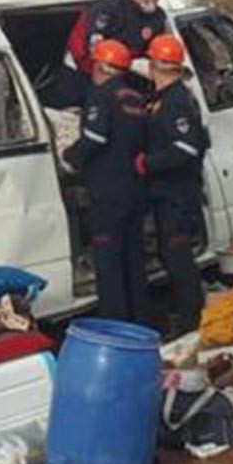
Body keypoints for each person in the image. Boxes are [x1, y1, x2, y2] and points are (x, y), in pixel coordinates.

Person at [62, 38, 152, 326]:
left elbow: (95, 138)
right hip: (134, 190)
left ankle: (115, 328)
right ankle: (141, 323)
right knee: (134, 264)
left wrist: (70, 156)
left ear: (100, 66)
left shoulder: (101, 96)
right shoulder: (134, 98)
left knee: (110, 265)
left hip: (108, 194)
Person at [139, 34, 211, 338]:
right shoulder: (162, 99)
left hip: (177, 194)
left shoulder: (176, 103)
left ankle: (191, 322)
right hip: (166, 192)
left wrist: (148, 163)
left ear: (155, 66)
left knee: (178, 257)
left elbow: (187, 148)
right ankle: (185, 315)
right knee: (173, 256)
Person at [54, 0, 170, 106]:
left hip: (126, 82)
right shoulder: (106, 9)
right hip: (83, 78)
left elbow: (158, 51)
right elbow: (94, 50)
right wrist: (129, 63)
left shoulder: (157, 17)